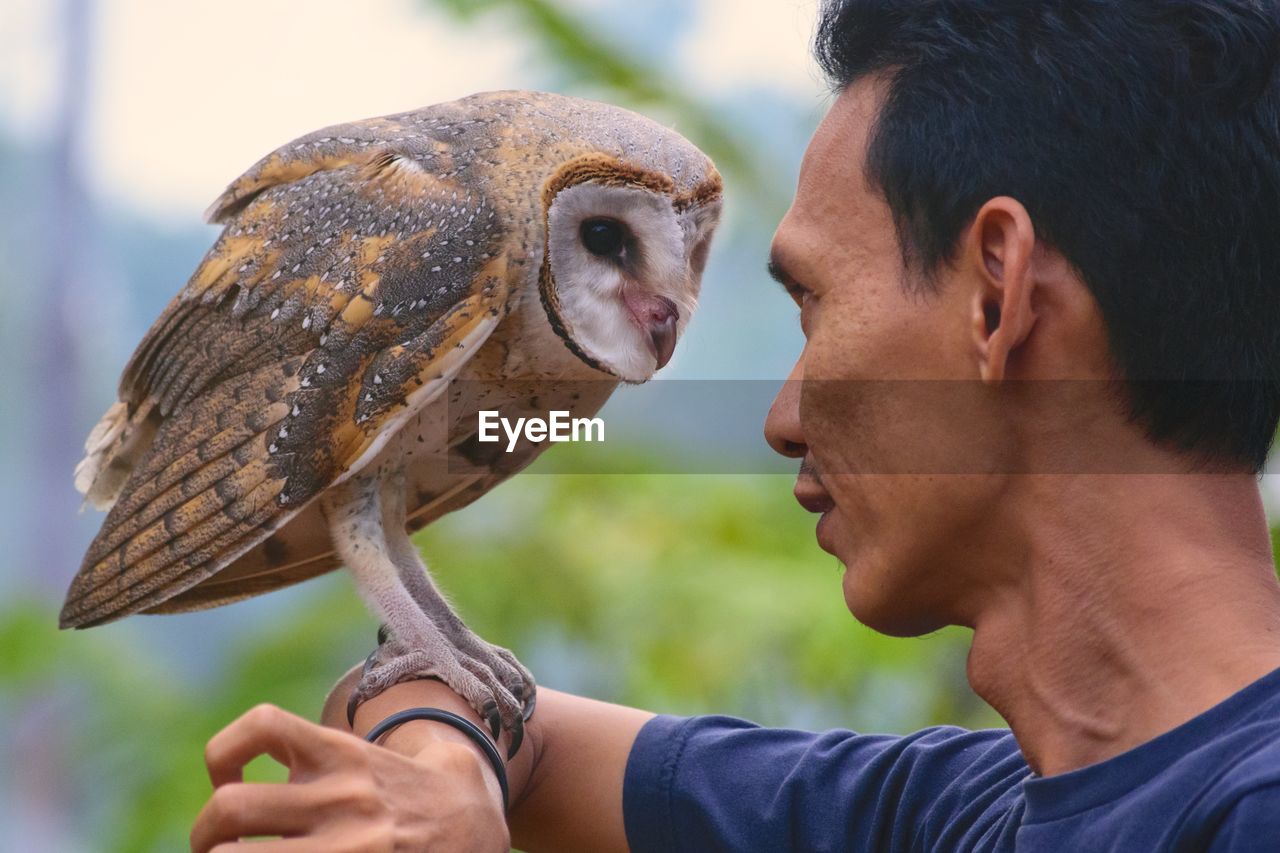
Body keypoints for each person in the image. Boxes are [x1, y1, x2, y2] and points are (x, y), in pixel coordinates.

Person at [189, 1, 1280, 850]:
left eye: (814, 302)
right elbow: (486, 715)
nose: (780, 418)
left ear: (994, 297)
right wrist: (445, 780)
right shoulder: (965, 811)